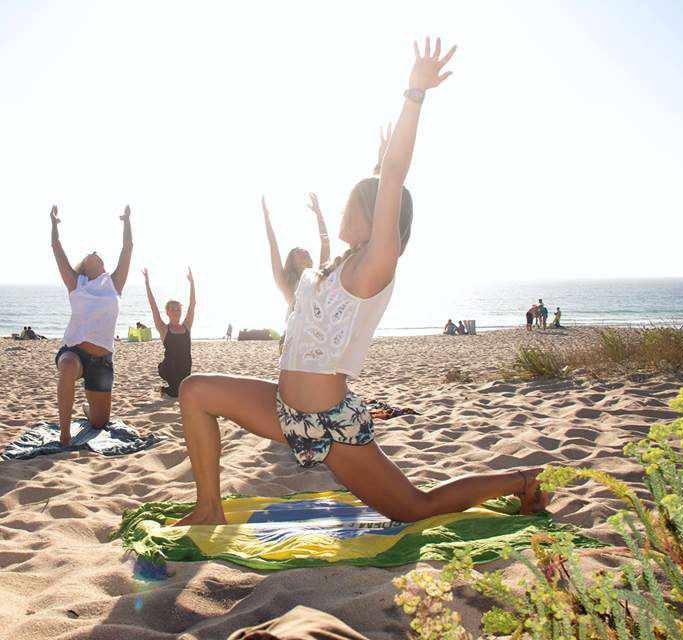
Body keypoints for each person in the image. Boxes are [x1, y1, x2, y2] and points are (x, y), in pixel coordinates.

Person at [173, 38, 548, 527]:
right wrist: (376, 168)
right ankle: (209, 509)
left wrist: (414, 95)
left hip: (331, 427)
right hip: (283, 410)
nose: (344, 207)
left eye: (354, 202)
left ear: (375, 220)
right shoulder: (333, 269)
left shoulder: (374, 269)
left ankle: (519, 481)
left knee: (415, 508)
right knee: (195, 390)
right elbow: (381, 179)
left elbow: (393, 179)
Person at [50, 204, 133, 444]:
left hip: (102, 362)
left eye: (98, 254)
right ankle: (64, 433)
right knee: (66, 366)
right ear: (85, 266)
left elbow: (128, 249)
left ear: (103, 265)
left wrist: (127, 222)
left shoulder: (114, 283)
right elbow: (57, 250)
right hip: (75, 352)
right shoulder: (77, 283)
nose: (94, 253)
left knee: (99, 422)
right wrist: (53, 225)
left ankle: (88, 410)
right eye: (90, 254)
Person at [262, 192, 330, 312]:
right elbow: (273, 246)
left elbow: (325, 245)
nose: (304, 251)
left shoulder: (318, 277)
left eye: (305, 251)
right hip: (296, 330)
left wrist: (319, 214)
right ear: (292, 262)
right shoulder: (287, 286)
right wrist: (267, 219)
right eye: (298, 252)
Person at [143, 267, 196, 398]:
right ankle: (164, 390)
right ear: (167, 312)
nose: (175, 311)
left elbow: (192, 304)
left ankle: (163, 390)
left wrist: (192, 282)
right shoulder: (163, 329)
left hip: (185, 367)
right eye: (172, 309)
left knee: (182, 391)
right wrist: (147, 284)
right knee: (176, 392)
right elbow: (153, 306)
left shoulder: (187, 326)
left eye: (178, 308)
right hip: (169, 367)